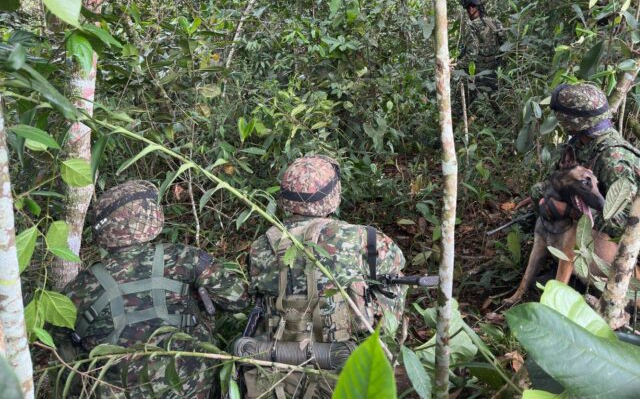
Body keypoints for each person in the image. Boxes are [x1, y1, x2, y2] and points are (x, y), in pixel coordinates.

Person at [57, 180, 250, 398]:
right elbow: (239, 299)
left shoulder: (79, 287)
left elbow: (54, 352)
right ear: (151, 217)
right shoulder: (184, 257)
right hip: (193, 390)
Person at [244, 155, 406, 398]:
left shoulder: (261, 245)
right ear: (333, 195)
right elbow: (391, 313)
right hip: (346, 369)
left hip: (279, 369)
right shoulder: (368, 241)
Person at [533, 83, 640, 234]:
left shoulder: (614, 159)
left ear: (572, 122)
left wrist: (569, 212)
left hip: (606, 243)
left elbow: (629, 223)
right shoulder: (580, 144)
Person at [457, 0, 506, 100]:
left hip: (479, 71)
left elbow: (472, 53)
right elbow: (504, 46)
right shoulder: (496, 22)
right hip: (494, 70)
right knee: (495, 99)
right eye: (468, 6)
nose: (470, 9)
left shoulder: (472, 26)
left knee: (465, 102)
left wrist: (457, 66)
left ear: (479, 7)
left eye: (473, 6)